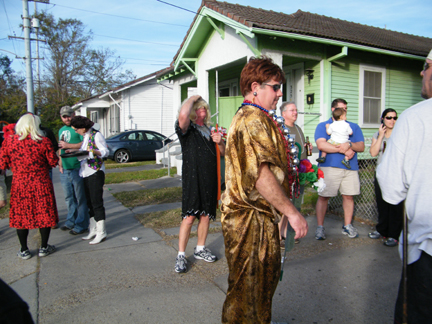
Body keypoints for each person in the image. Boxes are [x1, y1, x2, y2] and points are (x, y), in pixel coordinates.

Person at [221, 56, 308, 323]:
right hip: (249, 220)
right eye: (276, 86)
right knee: (247, 293)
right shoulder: (251, 120)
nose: (280, 93)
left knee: (259, 290)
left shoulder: (259, 117)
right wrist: (291, 212)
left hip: (260, 218)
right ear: (256, 86)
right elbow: (260, 174)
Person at [376, 49, 432, 323]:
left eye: (426, 66)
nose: (421, 73)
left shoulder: (416, 117)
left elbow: (391, 187)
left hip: (427, 253)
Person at [174, 96, 226, 273]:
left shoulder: (211, 129)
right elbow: (182, 115)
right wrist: (192, 98)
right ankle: (181, 254)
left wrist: (220, 142)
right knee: (189, 217)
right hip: (193, 179)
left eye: (203, 107)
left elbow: (224, 153)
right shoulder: (187, 129)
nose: (201, 109)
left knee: (206, 215)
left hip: (210, 179)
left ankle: (200, 249)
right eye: (198, 107)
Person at [0, 113, 59, 259]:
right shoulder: (44, 141)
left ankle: (24, 249)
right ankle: (44, 247)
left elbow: (3, 164)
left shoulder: (9, 142)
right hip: (41, 182)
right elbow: (53, 162)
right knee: (44, 214)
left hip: (20, 184)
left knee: (21, 216)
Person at [314, 98, 365, 240]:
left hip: (350, 168)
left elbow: (360, 146)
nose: (345, 111)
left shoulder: (353, 126)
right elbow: (322, 145)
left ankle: (347, 226)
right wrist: (345, 150)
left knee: (348, 196)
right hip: (329, 167)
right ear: (333, 110)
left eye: (346, 108)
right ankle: (320, 227)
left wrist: (349, 144)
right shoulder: (324, 126)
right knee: (324, 196)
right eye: (342, 108)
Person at [70, 116, 109, 244]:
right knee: (89, 202)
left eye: (76, 129)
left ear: (83, 127)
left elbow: (105, 152)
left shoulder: (96, 135)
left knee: (96, 201)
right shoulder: (86, 136)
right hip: (85, 172)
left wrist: (91, 152)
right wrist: (75, 151)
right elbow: (85, 150)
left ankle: (101, 231)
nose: (76, 131)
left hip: (95, 172)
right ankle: (93, 229)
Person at [279, 101, 313, 245]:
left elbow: (302, 150)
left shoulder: (298, 129)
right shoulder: (280, 129)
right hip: (285, 173)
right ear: (283, 114)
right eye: (292, 110)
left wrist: (306, 149)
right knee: (283, 204)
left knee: (294, 203)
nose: (295, 113)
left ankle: (287, 233)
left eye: (296, 110)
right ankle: (278, 235)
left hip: (299, 171)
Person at [368, 109, 403, 247]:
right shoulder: (378, 134)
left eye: (395, 118)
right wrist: (381, 136)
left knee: (395, 206)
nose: (392, 120)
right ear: (383, 119)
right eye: (389, 117)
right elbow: (373, 152)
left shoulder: (400, 134)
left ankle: (394, 235)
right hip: (382, 174)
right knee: (382, 204)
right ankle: (382, 230)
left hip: (396, 174)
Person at [58, 106, 89, 235]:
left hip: (78, 167)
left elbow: (85, 144)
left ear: (73, 114)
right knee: (69, 197)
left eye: (69, 115)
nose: (67, 118)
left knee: (80, 197)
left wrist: (69, 146)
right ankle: (71, 221)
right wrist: (60, 163)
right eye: (64, 116)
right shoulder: (61, 130)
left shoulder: (79, 128)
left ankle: (81, 224)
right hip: (65, 168)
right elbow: (60, 147)